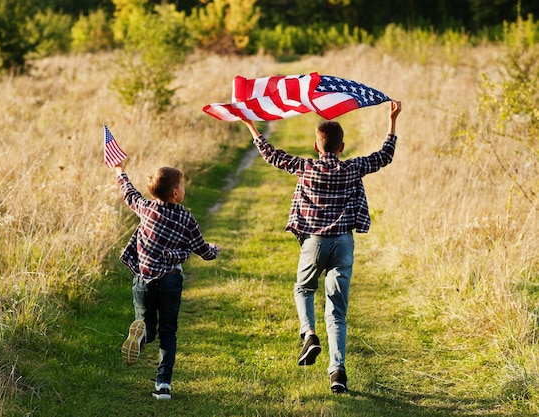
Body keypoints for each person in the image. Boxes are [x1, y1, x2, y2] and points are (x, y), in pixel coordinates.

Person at [240, 100, 402, 394]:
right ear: (342, 147)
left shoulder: (305, 167)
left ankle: (309, 334)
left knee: (303, 289)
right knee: (337, 313)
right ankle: (337, 371)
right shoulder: (352, 168)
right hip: (342, 244)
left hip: (313, 242)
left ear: (317, 147)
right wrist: (392, 120)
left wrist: (252, 126)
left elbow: (272, 155)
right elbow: (384, 156)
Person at [115, 160, 220, 400]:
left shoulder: (146, 208)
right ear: (175, 193)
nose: (184, 189)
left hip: (143, 278)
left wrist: (119, 169)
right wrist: (214, 250)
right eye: (182, 186)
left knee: (146, 325)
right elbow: (202, 250)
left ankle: (140, 338)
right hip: (170, 281)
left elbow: (129, 193)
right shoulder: (186, 218)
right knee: (168, 331)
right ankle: (163, 385)